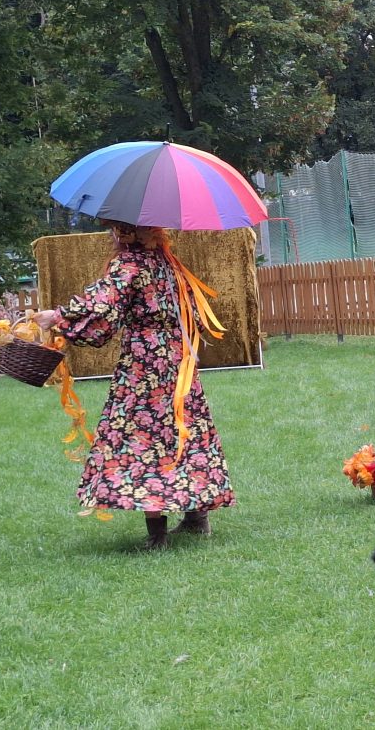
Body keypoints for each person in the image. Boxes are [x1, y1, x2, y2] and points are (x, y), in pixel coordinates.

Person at [33, 220, 234, 550]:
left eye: (114, 229)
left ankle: (157, 535)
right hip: (178, 359)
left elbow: (103, 304)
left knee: (145, 437)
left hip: (145, 363)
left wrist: (58, 316)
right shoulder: (169, 262)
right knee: (182, 429)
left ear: (124, 231)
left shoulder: (128, 263)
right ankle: (197, 518)